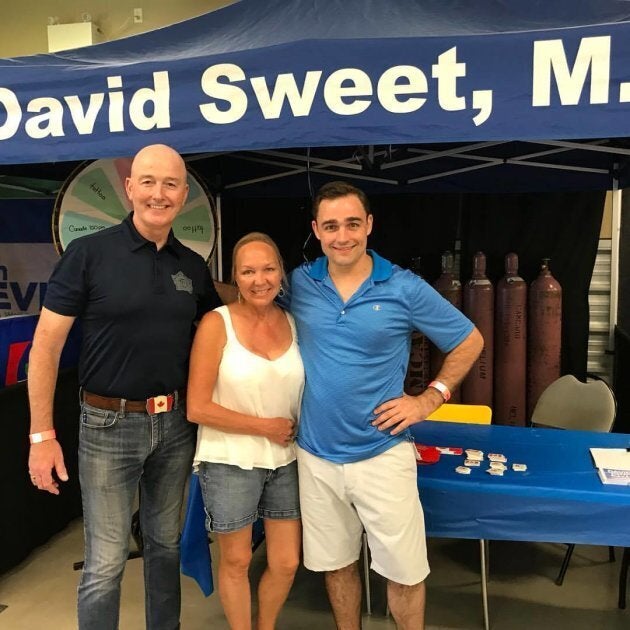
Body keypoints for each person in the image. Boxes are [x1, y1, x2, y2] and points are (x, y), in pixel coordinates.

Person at [27, 144, 227, 630]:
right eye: (149, 182)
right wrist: (41, 436)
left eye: (171, 184)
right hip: (106, 426)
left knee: (164, 547)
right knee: (106, 560)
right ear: (130, 188)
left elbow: (221, 331)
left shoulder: (192, 266)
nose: (159, 194)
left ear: (183, 195)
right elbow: (46, 347)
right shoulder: (89, 255)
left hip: (175, 426)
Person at [286, 181, 484, 630]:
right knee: (337, 565)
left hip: (382, 453)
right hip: (315, 455)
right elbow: (250, 300)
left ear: (369, 225)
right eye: (331, 226)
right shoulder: (300, 282)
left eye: (353, 224)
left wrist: (430, 399)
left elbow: (470, 340)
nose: (343, 236)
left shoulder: (403, 287)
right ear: (316, 230)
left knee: (405, 573)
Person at [186, 232, 304, 630]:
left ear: (281, 273)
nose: (260, 279)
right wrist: (263, 427)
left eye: (268, 269)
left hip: (286, 460)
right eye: (248, 271)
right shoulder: (216, 324)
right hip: (230, 459)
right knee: (236, 561)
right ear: (234, 277)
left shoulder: (292, 322)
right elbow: (196, 407)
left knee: (286, 561)